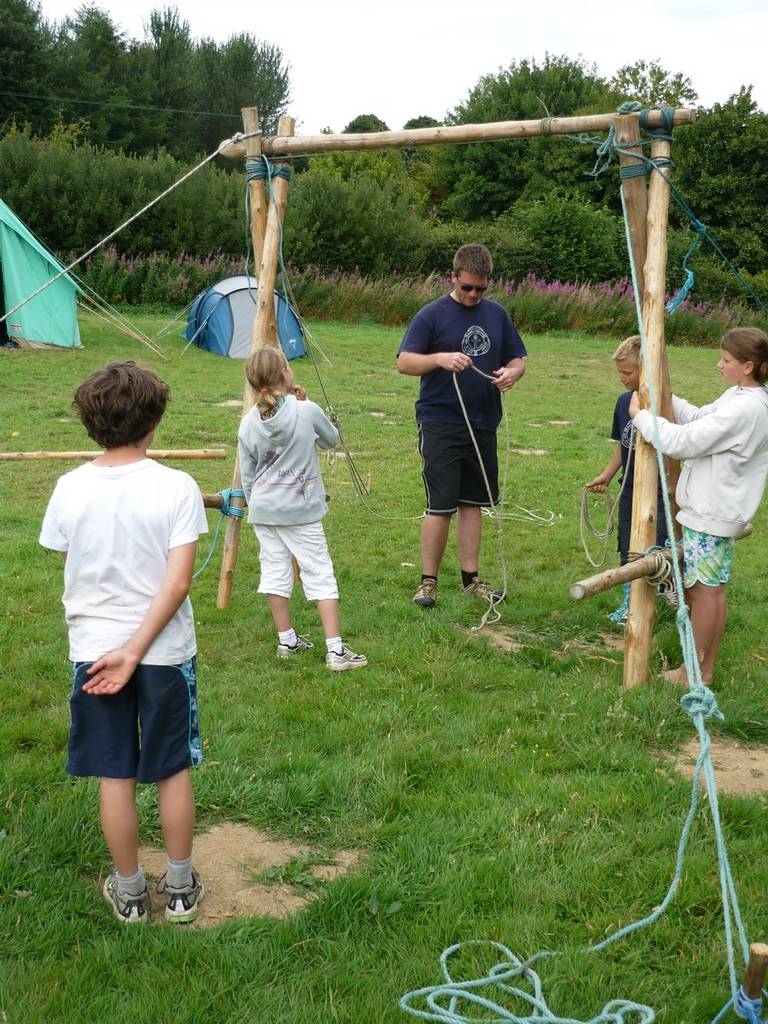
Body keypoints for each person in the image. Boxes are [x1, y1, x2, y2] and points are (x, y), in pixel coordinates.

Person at [39, 362, 208, 925]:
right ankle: (180, 888)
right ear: (154, 419)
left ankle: (132, 893)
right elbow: (178, 581)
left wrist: (120, 645)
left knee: (116, 772)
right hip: (162, 653)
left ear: (89, 423)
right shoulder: (177, 486)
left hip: (94, 651)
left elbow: (74, 564)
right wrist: (136, 648)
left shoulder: (68, 488)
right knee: (171, 768)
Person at [628, 327, 768, 684]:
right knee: (712, 590)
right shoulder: (744, 397)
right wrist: (666, 396)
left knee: (703, 592)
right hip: (720, 510)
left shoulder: (746, 409)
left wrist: (641, 418)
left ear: (748, 366)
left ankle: (693, 672)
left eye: (726, 360)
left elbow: (684, 442)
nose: (719, 364)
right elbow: (701, 419)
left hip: (711, 512)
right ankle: (702, 669)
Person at [397, 243, 526, 608]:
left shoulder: (497, 315)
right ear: (453, 277)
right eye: (467, 287)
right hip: (440, 422)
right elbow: (404, 362)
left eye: (480, 289)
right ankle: (428, 582)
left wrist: (511, 373)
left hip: (484, 422)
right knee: (441, 506)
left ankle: (471, 580)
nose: (473, 295)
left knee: (473, 504)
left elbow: (518, 358)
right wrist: (439, 358)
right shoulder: (431, 315)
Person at [238, 346, 367, 671]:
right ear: (285, 375)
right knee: (319, 573)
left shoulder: (248, 424)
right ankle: (335, 652)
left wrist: (258, 506)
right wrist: (306, 405)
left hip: (265, 512)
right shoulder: (305, 410)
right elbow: (331, 440)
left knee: (275, 574)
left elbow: (249, 474)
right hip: (302, 511)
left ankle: (287, 641)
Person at [585, 336, 669, 621]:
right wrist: (607, 476)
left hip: (658, 492)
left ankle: (657, 599)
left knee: (655, 546)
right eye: (619, 372)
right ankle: (630, 604)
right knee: (627, 546)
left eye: (627, 372)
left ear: (646, 369)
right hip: (629, 488)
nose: (621, 378)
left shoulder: (664, 402)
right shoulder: (623, 403)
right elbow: (624, 446)